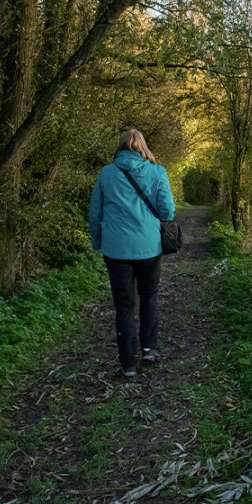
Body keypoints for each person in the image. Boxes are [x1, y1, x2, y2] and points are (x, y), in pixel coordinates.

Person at [89, 129, 176, 377]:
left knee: (124, 306)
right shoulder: (157, 172)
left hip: (116, 251)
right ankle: (149, 349)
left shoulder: (107, 173)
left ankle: (128, 364)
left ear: (121, 148)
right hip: (149, 248)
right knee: (148, 296)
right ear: (142, 147)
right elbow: (168, 212)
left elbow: (95, 213)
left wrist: (98, 242)